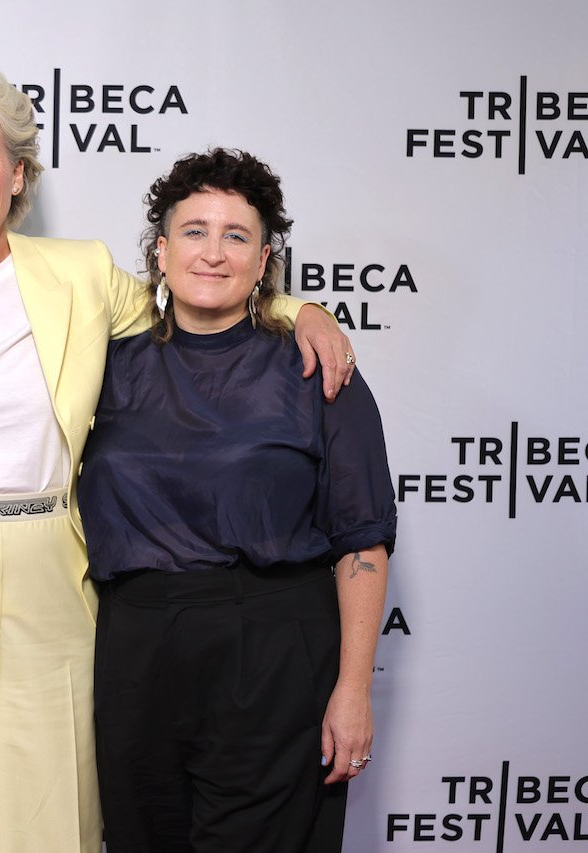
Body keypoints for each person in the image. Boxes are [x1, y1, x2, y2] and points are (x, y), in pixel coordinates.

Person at [0, 62, 355, 853]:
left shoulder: (77, 272)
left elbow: (194, 293)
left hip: (51, 563)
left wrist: (301, 308)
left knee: (49, 807)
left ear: (18, 172)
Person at [80, 148, 396, 852]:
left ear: (264, 260)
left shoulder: (317, 368)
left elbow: (361, 541)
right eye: (194, 232)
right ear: (160, 253)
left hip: (274, 645)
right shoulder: (104, 369)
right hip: (135, 650)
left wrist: (353, 690)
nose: (213, 253)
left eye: (236, 236)